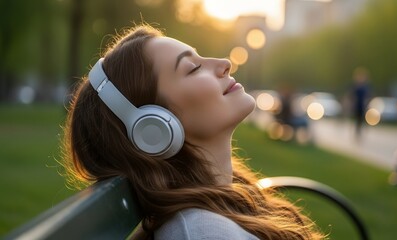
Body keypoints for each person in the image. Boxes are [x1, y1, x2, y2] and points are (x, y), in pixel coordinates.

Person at [61, 23, 323, 240]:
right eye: (194, 68)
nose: (224, 63)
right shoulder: (202, 234)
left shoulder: (221, 207)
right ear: (153, 127)